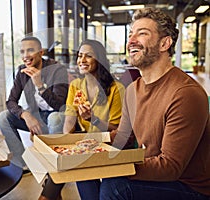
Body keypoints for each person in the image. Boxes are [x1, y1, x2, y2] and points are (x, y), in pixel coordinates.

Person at [77, 7, 210, 200]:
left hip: (189, 187)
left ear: (165, 43)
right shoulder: (133, 89)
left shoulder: (185, 93)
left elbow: (170, 167)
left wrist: (111, 165)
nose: (131, 41)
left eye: (142, 34)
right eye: (131, 34)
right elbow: (123, 137)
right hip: (160, 173)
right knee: (83, 168)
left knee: (116, 186)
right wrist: (85, 147)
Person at [39, 39, 125, 200]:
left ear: (99, 59)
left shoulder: (116, 89)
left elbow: (118, 130)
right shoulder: (76, 86)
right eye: (80, 56)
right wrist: (67, 145)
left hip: (109, 147)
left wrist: (94, 119)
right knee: (64, 166)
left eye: (88, 56)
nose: (82, 60)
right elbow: (68, 125)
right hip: (86, 145)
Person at [0, 36, 68, 170]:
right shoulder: (22, 71)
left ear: (41, 53)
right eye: (22, 51)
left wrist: (39, 84)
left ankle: (53, 165)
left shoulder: (57, 70)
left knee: (54, 118)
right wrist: (25, 115)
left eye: (30, 50)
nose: (25, 55)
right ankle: (24, 164)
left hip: (58, 118)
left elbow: (59, 105)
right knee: (3, 117)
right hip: (37, 117)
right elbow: (11, 101)